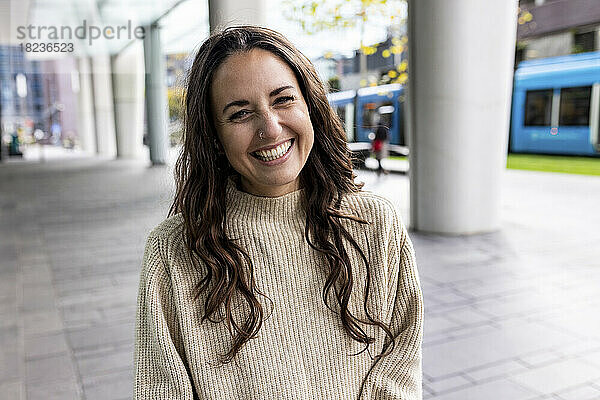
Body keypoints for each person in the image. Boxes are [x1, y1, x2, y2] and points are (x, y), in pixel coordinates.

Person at [134, 26, 423, 400]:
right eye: (240, 114)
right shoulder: (172, 251)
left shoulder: (376, 223)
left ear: (311, 107)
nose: (270, 128)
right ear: (214, 138)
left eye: (283, 99)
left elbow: (400, 365)